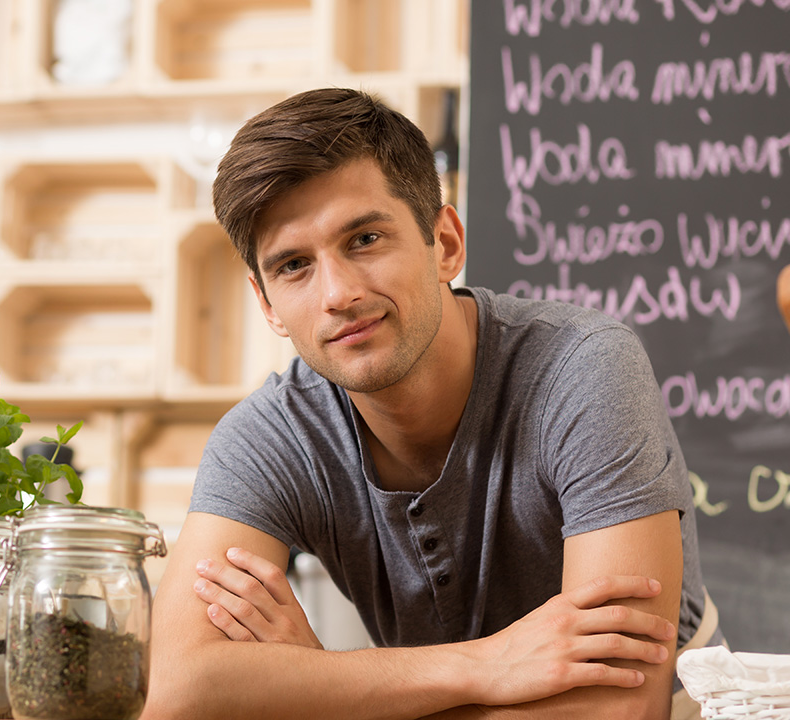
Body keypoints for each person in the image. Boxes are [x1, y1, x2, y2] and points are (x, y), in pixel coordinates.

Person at [142, 88, 722, 720]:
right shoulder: (269, 438)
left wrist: (321, 693)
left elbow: (615, 710)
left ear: (444, 243)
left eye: (364, 239)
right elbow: (179, 692)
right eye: (294, 266)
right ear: (267, 305)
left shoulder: (582, 369)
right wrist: (484, 665)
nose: (337, 293)